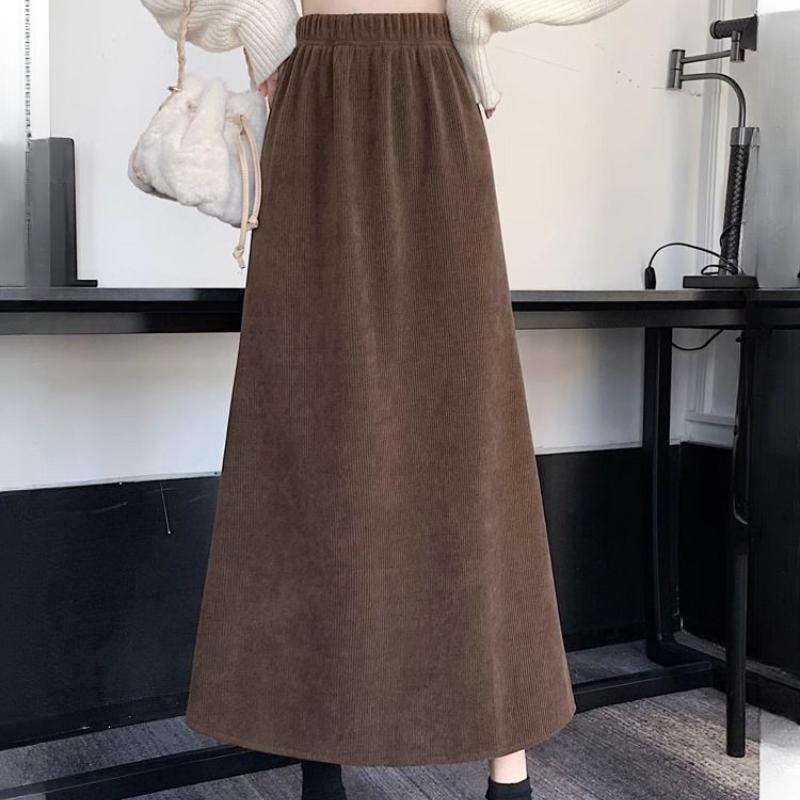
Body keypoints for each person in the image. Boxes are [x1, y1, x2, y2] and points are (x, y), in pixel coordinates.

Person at [140, 1, 633, 798]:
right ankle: (325, 756)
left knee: (465, 430)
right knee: (315, 429)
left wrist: (470, 35)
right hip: (324, 97)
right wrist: (266, 29)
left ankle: (503, 765)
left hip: (420, 93)